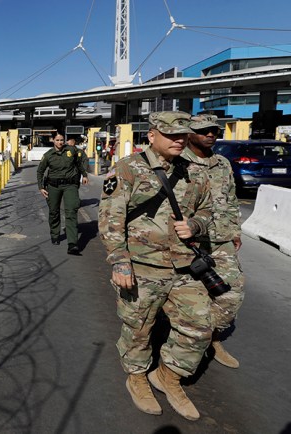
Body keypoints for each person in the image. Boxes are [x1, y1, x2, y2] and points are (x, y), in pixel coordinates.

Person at [98, 111, 213, 420]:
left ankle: (169, 376)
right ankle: (137, 376)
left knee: (200, 326)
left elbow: (206, 209)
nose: (179, 140)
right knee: (139, 328)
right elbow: (110, 219)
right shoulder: (127, 169)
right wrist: (120, 260)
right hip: (142, 266)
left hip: (185, 266)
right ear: (151, 135)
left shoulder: (193, 171)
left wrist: (196, 225)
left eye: (183, 135)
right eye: (171, 135)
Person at [185, 114, 245, 369]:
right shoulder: (177, 163)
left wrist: (235, 231)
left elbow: (230, 199)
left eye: (215, 131)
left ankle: (212, 338)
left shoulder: (222, 163)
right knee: (189, 298)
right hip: (189, 242)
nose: (211, 134)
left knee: (232, 293)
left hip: (220, 239)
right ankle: (184, 346)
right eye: (204, 130)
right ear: (189, 133)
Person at [36, 131, 89, 254]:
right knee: (54, 211)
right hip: (53, 186)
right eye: (57, 140)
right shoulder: (48, 155)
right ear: (53, 140)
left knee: (71, 212)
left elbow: (78, 163)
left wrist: (84, 175)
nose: (60, 142)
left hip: (70, 185)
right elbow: (40, 171)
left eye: (61, 140)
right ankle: (55, 234)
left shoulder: (71, 151)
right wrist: (41, 187)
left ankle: (72, 244)